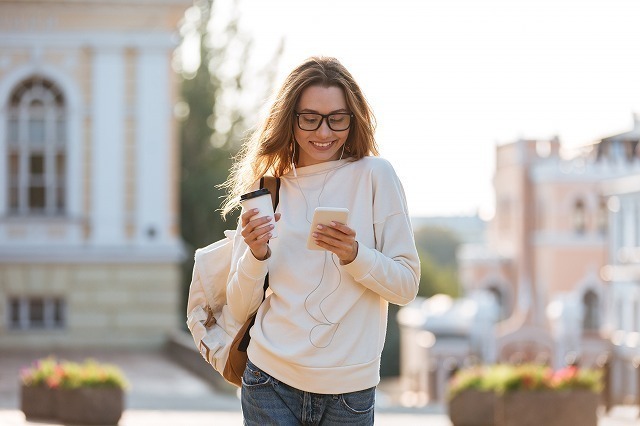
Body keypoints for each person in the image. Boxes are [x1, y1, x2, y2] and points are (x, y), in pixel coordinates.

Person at [220, 56, 420, 425]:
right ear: (290, 119)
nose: (324, 132)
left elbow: (406, 287)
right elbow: (238, 306)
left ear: (353, 118)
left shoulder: (376, 176)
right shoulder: (268, 188)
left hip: (350, 392)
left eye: (337, 118)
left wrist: (355, 255)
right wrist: (256, 253)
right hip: (269, 380)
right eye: (310, 118)